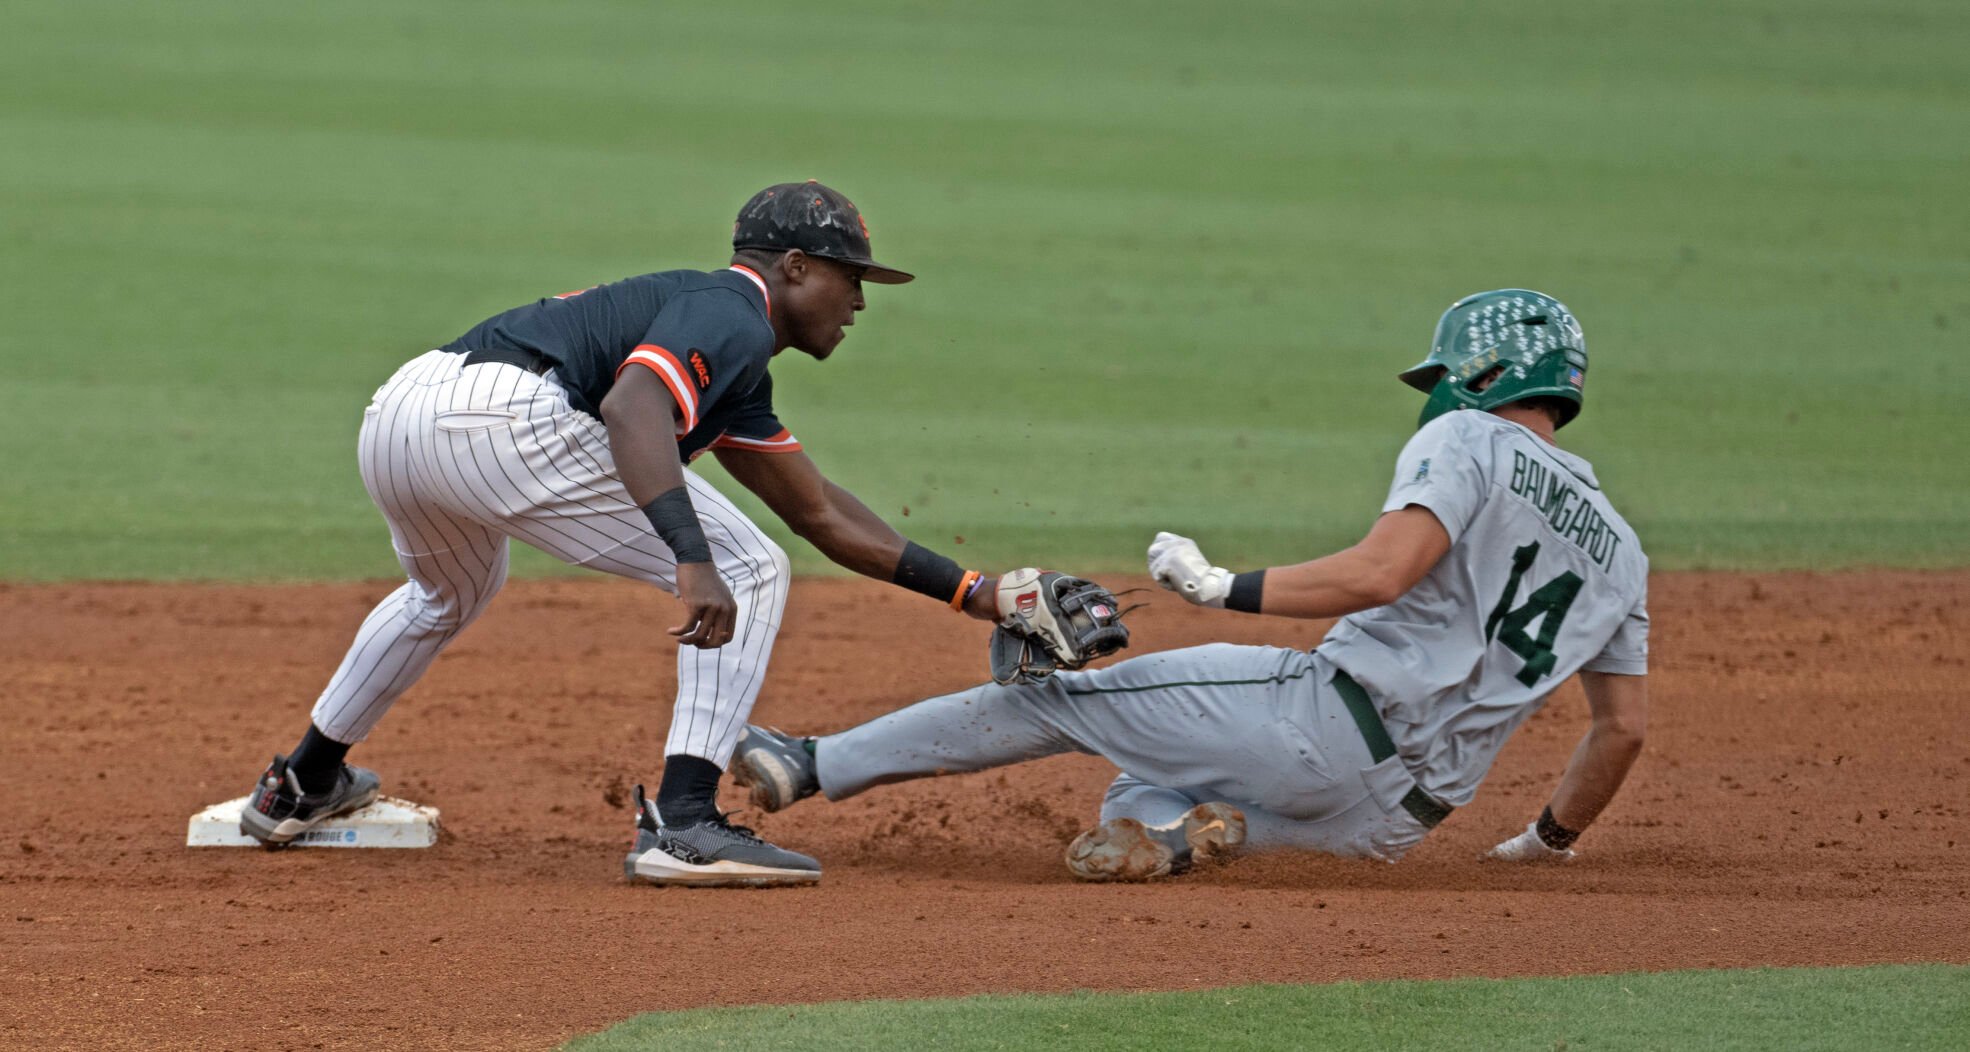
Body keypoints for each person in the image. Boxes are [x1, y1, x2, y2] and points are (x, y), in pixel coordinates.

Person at [239, 181, 1028, 888]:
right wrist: (691, 557)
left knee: (448, 593)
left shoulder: (736, 363)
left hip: (402, 417)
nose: (859, 302)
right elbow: (632, 407)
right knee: (748, 569)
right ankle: (686, 825)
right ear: (793, 266)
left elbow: (819, 509)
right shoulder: (733, 311)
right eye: (850, 278)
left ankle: (301, 784)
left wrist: (975, 594)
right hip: (503, 420)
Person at [730, 290, 1650, 880]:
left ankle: (810, 763)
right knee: (1138, 791)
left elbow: (1382, 573)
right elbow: (1621, 730)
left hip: (1321, 727)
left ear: (1485, 375)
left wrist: (1223, 587)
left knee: (1063, 700)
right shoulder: (1621, 551)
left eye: (1449, 374)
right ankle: (1188, 837)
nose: (1439, 391)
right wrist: (1547, 841)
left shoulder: (1469, 439)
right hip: (1395, 822)